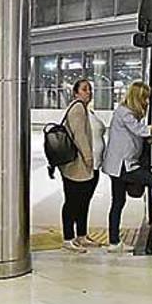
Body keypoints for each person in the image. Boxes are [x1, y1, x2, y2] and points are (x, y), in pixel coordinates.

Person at [102, 81, 152, 253]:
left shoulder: (130, 114)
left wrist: (149, 137)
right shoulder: (124, 112)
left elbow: (138, 136)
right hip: (123, 166)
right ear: (137, 97)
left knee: (118, 202)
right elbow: (140, 131)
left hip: (122, 165)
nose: (147, 102)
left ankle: (114, 242)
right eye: (145, 98)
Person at [57, 79, 105, 253]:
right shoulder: (77, 108)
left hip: (88, 167)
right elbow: (80, 136)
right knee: (72, 202)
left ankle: (82, 235)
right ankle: (68, 238)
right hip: (78, 166)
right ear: (76, 93)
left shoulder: (86, 110)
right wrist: (88, 158)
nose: (88, 92)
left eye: (90, 89)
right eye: (84, 89)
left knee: (83, 201)